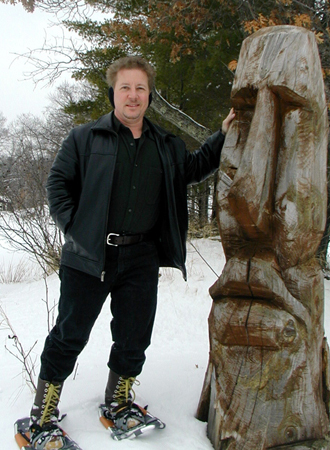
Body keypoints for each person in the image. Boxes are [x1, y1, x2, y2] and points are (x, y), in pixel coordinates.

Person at [27, 55, 235, 448]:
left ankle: (119, 400)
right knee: (70, 335)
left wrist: (222, 135)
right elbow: (58, 184)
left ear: (149, 94)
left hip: (140, 256)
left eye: (140, 87)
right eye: (125, 87)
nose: (133, 95)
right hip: (90, 257)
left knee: (134, 336)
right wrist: (77, 230)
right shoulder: (84, 138)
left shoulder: (165, 145)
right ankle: (43, 412)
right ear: (113, 93)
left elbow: (193, 168)